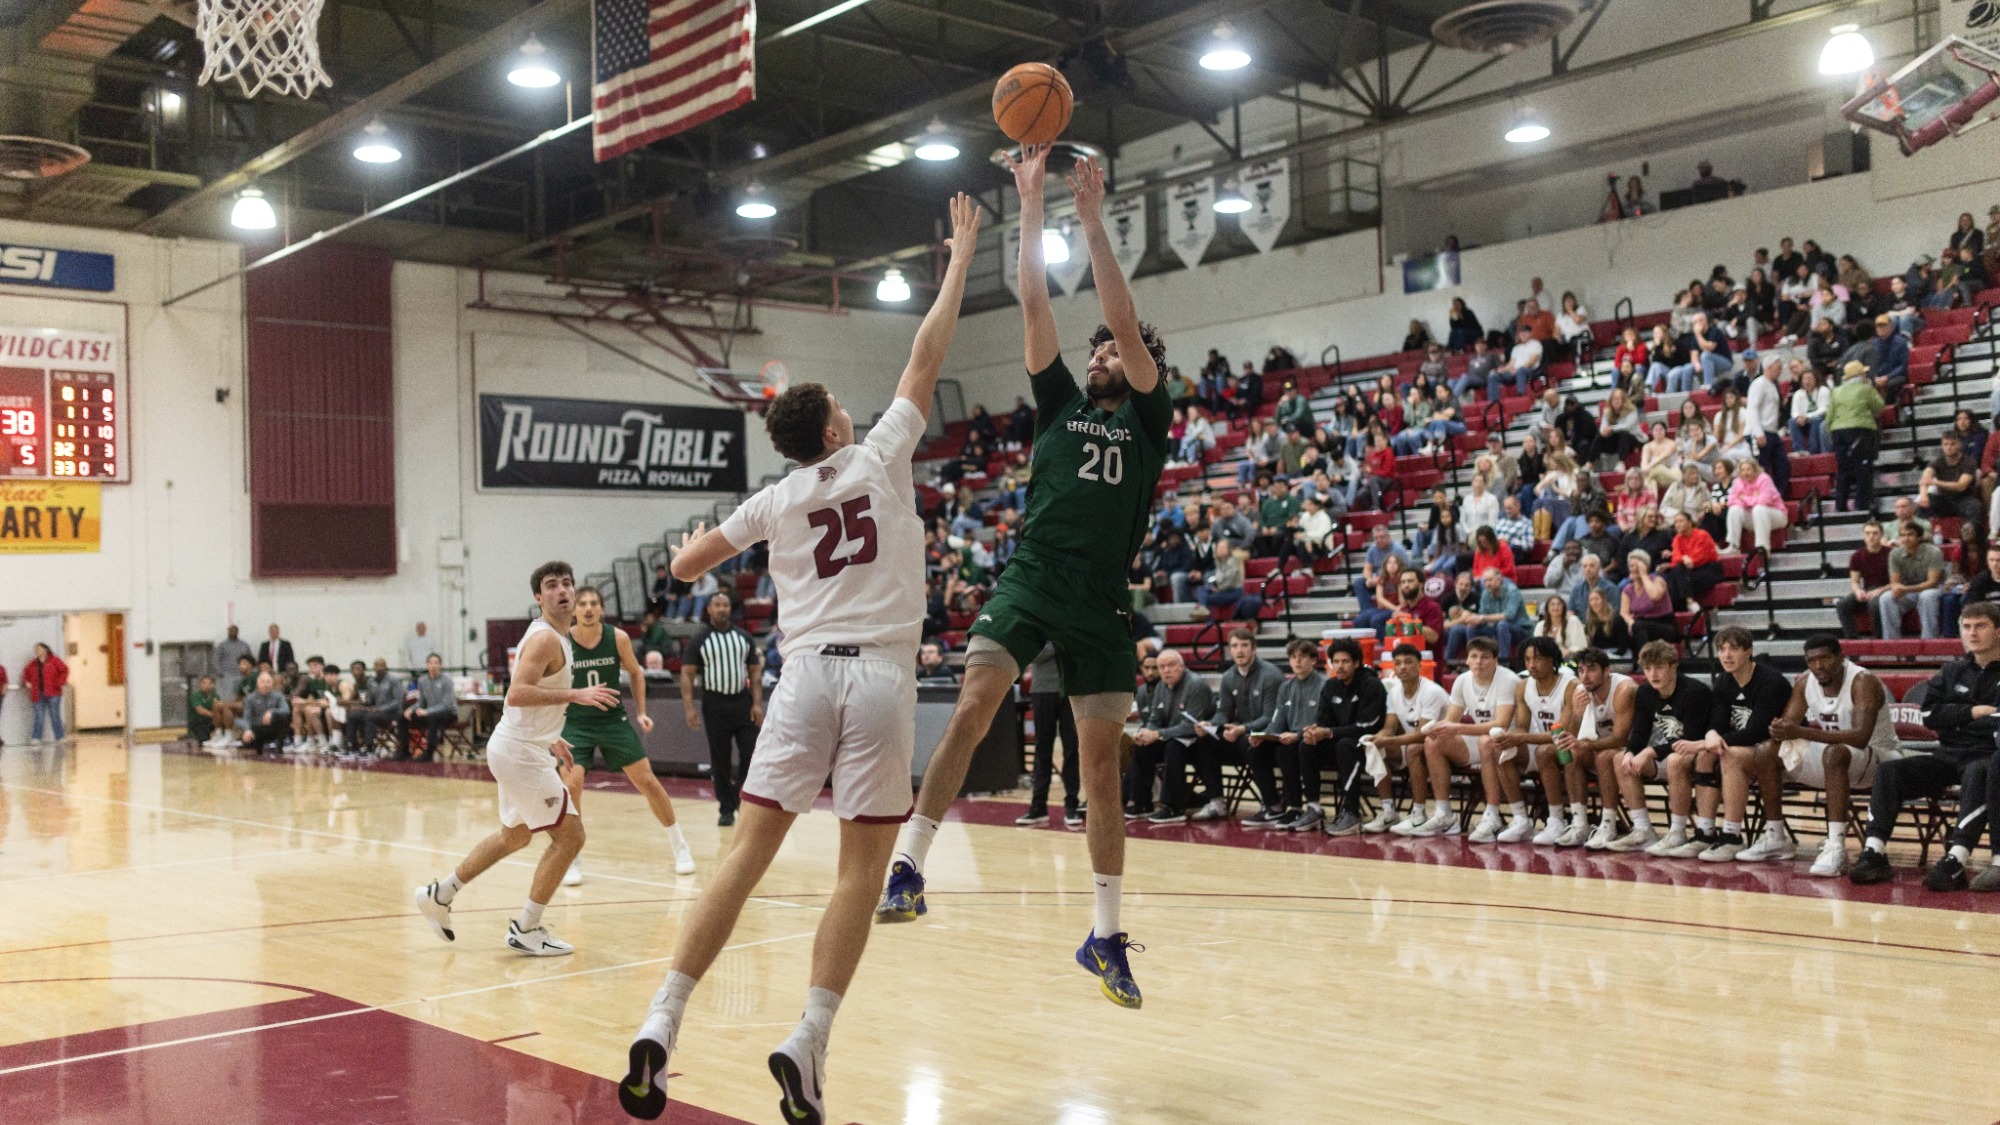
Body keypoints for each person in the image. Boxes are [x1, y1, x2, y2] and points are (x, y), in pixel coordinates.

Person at [618, 193, 979, 1123]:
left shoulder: (774, 501)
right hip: (881, 676)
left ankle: (665, 1016)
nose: (857, 412)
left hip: (806, 673)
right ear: (831, 432)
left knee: (746, 853)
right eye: (844, 409)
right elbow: (927, 355)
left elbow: (685, 564)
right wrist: (961, 255)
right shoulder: (876, 456)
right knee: (860, 869)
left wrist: (700, 539)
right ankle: (808, 1038)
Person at [875, 154, 1161, 1013]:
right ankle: (910, 865)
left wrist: (1097, 222)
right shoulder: (1060, 404)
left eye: (1114, 345)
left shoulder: (1148, 415)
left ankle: (1104, 935)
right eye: (1099, 346)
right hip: (1035, 575)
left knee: (1100, 772)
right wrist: (1033, 202)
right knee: (971, 705)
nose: (1102, 349)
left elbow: (1122, 315)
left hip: (1103, 601)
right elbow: (1037, 303)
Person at [414, 563, 599, 969]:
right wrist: (577, 695)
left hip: (520, 747)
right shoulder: (546, 639)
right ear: (539, 597)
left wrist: (552, 735)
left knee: (513, 837)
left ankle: (440, 894)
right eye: (552, 586)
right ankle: (527, 929)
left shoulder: (558, 638)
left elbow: (532, 696)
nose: (563, 591)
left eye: (567, 583)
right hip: (518, 752)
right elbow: (516, 694)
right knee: (571, 837)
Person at [1851, 601, 2000, 890]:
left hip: (1989, 756)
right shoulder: (1952, 671)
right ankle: (1874, 851)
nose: (1972, 633)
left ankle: (1956, 858)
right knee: (1891, 771)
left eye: (1980, 626)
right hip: (1947, 754)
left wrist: (1956, 716)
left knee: (1979, 771)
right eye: (1966, 627)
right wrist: (1973, 712)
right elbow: (1930, 716)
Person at [1725, 636, 1902, 876]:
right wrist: (1778, 730)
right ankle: (1776, 836)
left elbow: (1861, 738)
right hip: (1837, 761)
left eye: (1825, 658)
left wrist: (1800, 732)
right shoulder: (1805, 682)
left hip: (1882, 760)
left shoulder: (1862, 681)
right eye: (1812, 660)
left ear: (1841, 657)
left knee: (1835, 752)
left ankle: (1836, 846)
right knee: (1768, 750)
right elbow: (1788, 726)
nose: (1818, 665)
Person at [564, 585, 697, 880]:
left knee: (647, 781)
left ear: (601, 609)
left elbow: (636, 673)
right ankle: (572, 858)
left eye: (593, 603)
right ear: (573, 610)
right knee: (571, 786)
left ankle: (680, 846)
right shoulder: (562, 640)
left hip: (612, 720)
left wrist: (641, 711)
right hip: (576, 723)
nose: (587, 608)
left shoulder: (618, 637)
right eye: (582, 603)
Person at [1653, 627, 1792, 860]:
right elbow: (1717, 723)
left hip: (1782, 750)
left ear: (1749, 651)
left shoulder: (1771, 682)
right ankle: (1705, 832)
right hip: (1751, 748)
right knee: (1708, 754)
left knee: (1729, 754)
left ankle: (1732, 836)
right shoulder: (1723, 680)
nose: (1726, 655)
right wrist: (1709, 736)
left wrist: (1702, 743)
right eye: (1722, 649)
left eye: (1734, 649)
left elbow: (1756, 732)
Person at [1600, 641, 1714, 852]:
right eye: (1648, 668)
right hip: (1668, 752)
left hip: (1699, 754)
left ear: (1673, 666)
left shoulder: (1694, 691)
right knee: (1620, 758)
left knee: (1675, 759)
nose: (1653, 674)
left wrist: (1650, 752)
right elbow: (1641, 732)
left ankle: (1678, 832)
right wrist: (1632, 751)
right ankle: (1643, 830)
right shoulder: (1645, 692)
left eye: (1659, 667)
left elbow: (1691, 738)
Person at [1409, 638, 1522, 838]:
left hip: (1511, 744)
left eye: (1485, 657)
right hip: (1483, 742)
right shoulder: (1462, 680)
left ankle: (1492, 815)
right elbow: (1451, 720)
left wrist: (1457, 727)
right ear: (1467, 660)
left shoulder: (1508, 679)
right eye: (1474, 656)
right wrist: (1436, 729)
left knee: (1487, 741)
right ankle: (1444, 813)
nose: (1479, 661)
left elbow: (1501, 724)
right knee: (1433, 741)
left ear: (1496, 661)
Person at [679, 590, 764, 826]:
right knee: (721, 759)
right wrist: (689, 708)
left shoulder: (744, 637)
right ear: (709, 609)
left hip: (742, 703)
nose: (721, 609)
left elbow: (755, 673)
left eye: (725, 605)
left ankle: (741, 797)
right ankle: (726, 808)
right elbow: (687, 674)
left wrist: (757, 704)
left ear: (730, 609)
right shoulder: (700, 639)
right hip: (714, 704)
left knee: (750, 754)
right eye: (716, 604)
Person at [1547, 649, 1637, 848]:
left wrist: (1585, 744)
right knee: (1571, 754)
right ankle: (1580, 824)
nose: (1585, 676)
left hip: (1631, 751)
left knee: (1604, 757)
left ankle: (1608, 824)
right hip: (1599, 750)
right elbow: (1568, 737)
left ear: (1607, 671)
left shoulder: (1624, 689)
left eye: (1591, 669)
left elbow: (1621, 738)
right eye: (1580, 670)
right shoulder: (1580, 691)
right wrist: (1577, 715)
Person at [1297, 638, 1386, 836]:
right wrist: (1314, 731)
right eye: (1335, 661)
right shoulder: (1330, 687)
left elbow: (1366, 727)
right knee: (1307, 745)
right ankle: (1314, 808)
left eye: (1345, 661)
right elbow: (1324, 721)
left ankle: (1351, 812)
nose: (1339, 666)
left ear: (1356, 663)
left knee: (1346, 745)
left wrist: (1328, 732)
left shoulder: (1372, 685)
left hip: (1370, 746)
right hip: (1340, 743)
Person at [1242, 640, 1324, 830]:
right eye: (1293, 657)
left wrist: (1296, 735)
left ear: (1313, 660)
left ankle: (1295, 807)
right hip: (1289, 738)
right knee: (1255, 750)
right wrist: (1263, 735)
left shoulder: (1323, 686)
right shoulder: (1286, 688)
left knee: (1285, 751)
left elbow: (1321, 722)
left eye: (1303, 657)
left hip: (1312, 741)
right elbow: (1277, 721)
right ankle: (1273, 806)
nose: (1297, 661)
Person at [1374, 644, 1454, 834]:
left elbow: (1423, 733)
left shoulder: (1431, 691)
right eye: (1398, 663)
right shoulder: (1393, 692)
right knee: (1375, 749)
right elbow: (1389, 727)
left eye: (1408, 662)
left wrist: (1390, 740)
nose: (1402, 667)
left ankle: (1418, 812)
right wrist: (1377, 738)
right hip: (1416, 744)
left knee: (1413, 748)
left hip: (1444, 746)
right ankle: (1388, 811)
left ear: (1420, 666)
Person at [1828, 359, 1885, 512]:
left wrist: (1831, 436)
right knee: (1862, 469)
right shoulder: (1865, 388)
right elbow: (1879, 407)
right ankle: (1862, 505)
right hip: (1860, 430)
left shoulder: (1836, 391)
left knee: (1843, 470)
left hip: (1838, 432)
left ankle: (1840, 505)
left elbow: (1830, 416)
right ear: (1861, 374)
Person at [1442, 568, 1529, 663]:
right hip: (1494, 627)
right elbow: (1481, 615)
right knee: (1471, 627)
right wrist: (1474, 619)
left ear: (1499, 580)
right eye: (1485, 581)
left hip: (1519, 628)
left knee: (1502, 625)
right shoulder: (1485, 593)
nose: (1487, 583)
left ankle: (1502, 664)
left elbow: (1508, 615)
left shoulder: (1512, 591)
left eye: (1490, 580)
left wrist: (1481, 618)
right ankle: (1471, 661)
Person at [1877, 522, 1946, 640]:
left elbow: (1933, 582)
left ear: (1919, 537)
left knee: (1927, 596)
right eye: (1902, 535)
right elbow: (1895, 582)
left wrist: (1906, 589)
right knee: (1886, 598)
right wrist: (1897, 588)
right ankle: (1891, 643)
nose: (1906, 538)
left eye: (1910, 535)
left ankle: (1929, 641)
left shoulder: (1934, 552)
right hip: (1909, 591)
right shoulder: (1895, 554)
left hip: (1934, 589)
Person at [1835, 520, 1893, 638]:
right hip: (1868, 590)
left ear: (1881, 535)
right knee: (1842, 604)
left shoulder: (1891, 554)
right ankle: (1852, 639)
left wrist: (1879, 591)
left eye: (1875, 533)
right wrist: (1858, 591)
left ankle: (1878, 639)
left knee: (1874, 603)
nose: (1871, 536)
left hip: (1887, 590)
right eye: (1867, 533)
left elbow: (1896, 582)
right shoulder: (1857, 556)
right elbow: (1855, 582)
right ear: (1863, 536)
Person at [1722, 457, 1790, 555]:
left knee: (1759, 509)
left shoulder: (1764, 478)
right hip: (1754, 516)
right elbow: (1731, 501)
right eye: (1743, 470)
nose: (1746, 473)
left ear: (1755, 469)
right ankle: (1733, 546)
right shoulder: (1737, 481)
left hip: (1776, 515)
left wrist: (1744, 498)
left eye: (1748, 469)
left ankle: (1762, 548)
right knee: (1734, 509)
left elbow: (1765, 500)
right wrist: (1752, 498)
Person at [398, 654, 457, 762]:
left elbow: (447, 704)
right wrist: (412, 709)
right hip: (428, 713)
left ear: (440, 665)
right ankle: (404, 750)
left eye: (436, 663)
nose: (433, 665)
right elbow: (421, 702)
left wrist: (427, 711)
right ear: (427, 665)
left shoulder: (447, 680)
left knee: (433, 717)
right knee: (402, 717)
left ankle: (429, 753)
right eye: (431, 663)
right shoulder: (422, 680)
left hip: (448, 714)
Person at [1620, 551, 1679, 650]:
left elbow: (1654, 596)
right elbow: (1623, 612)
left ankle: (1645, 661)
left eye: (1637, 566)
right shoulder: (1628, 589)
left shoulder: (1658, 581)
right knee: (1621, 623)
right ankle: (1624, 657)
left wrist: (1643, 575)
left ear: (1645, 567)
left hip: (1664, 625)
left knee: (1638, 627)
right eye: (1631, 565)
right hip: (1639, 626)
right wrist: (1631, 623)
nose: (1633, 569)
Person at [236, 669, 290, 754]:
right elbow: (246, 717)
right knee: (247, 742)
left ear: (272, 684)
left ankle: (279, 746)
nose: (265, 684)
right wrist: (247, 730)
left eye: (268, 682)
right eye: (262, 682)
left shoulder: (278, 696)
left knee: (284, 718)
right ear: (258, 684)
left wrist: (271, 712)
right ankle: (258, 746)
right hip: (258, 728)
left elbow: (286, 710)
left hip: (273, 728)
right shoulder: (250, 698)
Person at [23, 642, 67, 744]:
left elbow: (64, 671)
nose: (37, 651)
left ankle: (59, 736)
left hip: (53, 692)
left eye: (39, 649)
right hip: (38, 693)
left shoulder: (54, 661)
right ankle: (36, 737)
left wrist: (59, 682)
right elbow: (26, 674)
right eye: (36, 649)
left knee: (55, 715)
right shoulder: (33, 664)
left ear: (45, 650)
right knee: (39, 716)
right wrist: (26, 682)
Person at [186, 674, 220, 744]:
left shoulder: (215, 696)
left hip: (211, 722)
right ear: (200, 685)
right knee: (204, 741)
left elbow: (219, 707)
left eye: (209, 683)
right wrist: (214, 715)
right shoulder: (196, 695)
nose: (207, 685)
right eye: (204, 683)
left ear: (212, 685)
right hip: (198, 723)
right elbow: (200, 710)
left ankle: (221, 736)